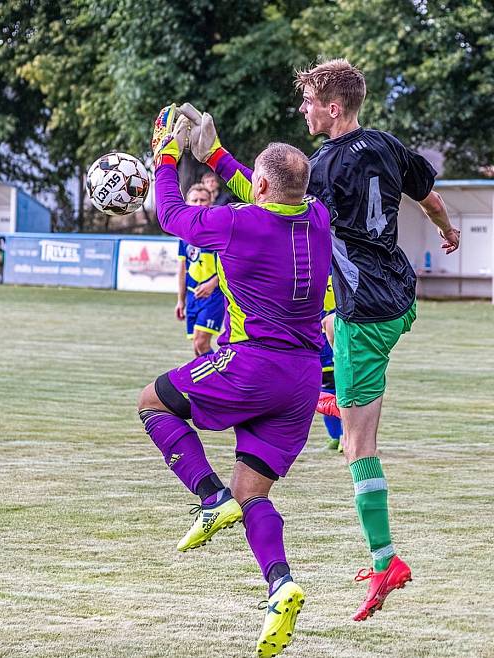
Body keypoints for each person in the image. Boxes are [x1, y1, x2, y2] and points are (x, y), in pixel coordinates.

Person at [141, 103, 331, 657]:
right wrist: (218, 155)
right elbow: (267, 188)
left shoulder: (241, 222)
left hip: (253, 364)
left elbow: (172, 216)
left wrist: (169, 155)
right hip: (301, 380)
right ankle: (280, 584)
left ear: (263, 185)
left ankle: (208, 496)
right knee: (256, 493)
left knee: (153, 402)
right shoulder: (317, 216)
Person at [295, 59, 460, 621]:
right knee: (331, 352)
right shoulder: (388, 145)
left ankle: (387, 559)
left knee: (355, 446)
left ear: (332, 108)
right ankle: (330, 396)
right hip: (398, 297)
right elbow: (430, 197)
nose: (303, 110)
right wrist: (446, 229)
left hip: (363, 313)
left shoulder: (320, 166)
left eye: (309, 102)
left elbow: (279, 213)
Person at [175, 183, 224, 355]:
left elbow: (232, 264)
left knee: (201, 343)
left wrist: (213, 283)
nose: (198, 204)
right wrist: (180, 300)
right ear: (187, 203)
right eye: (194, 200)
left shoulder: (219, 231)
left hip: (214, 295)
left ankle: (222, 381)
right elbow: (182, 269)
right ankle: (208, 381)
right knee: (197, 348)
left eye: (203, 200)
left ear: (210, 202)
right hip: (192, 295)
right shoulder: (183, 234)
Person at [319, 272, 343, 451]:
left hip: (339, 340)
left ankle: (344, 436)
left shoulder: (341, 266)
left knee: (344, 392)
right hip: (320, 345)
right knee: (328, 390)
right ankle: (336, 436)